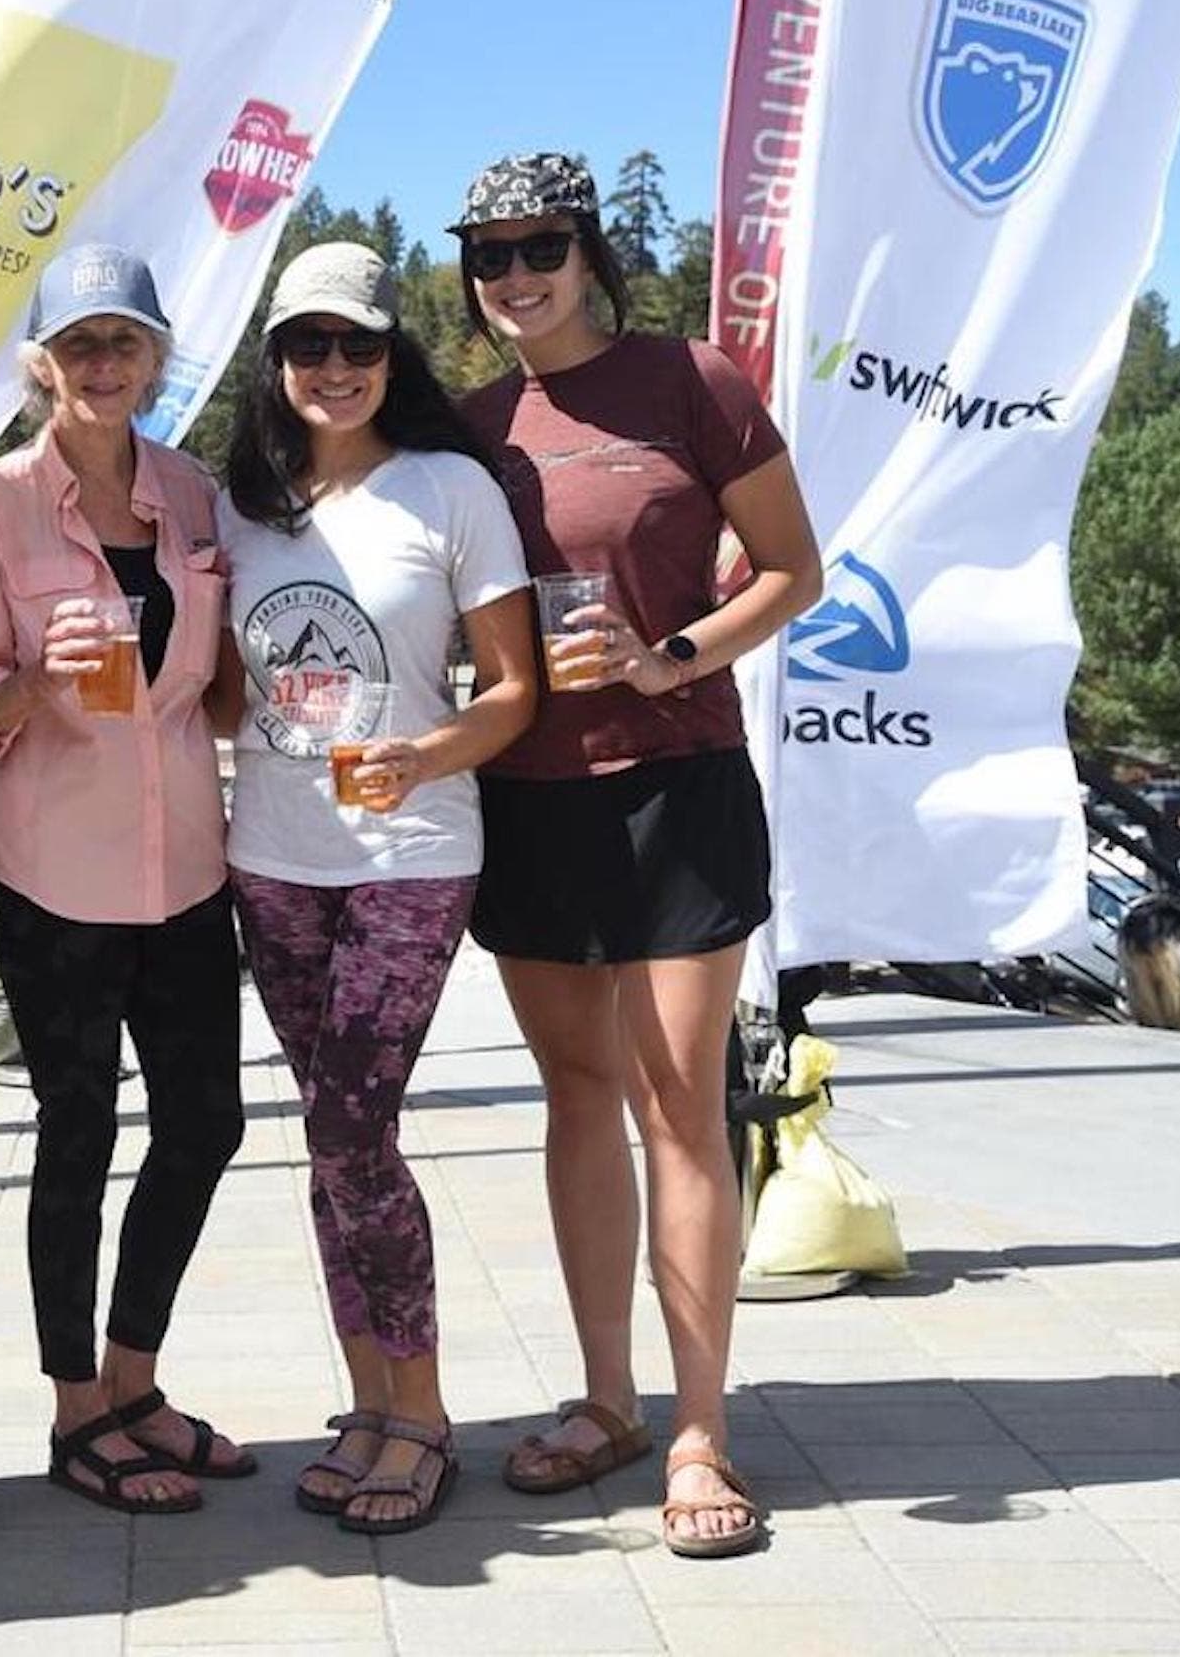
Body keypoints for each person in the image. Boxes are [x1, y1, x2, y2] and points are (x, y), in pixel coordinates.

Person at [448, 151, 823, 1560]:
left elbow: (794, 569)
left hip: (676, 782)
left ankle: (700, 1428)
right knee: (576, 1093)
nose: (514, 274)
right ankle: (605, 1396)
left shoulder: (693, 381)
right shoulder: (473, 422)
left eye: (539, 244)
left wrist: (669, 658)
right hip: (534, 794)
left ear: (587, 247)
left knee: (680, 1102)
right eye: (488, 253)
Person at [217, 242, 538, 1535]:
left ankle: (423, 1409)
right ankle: (367, 1395)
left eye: (358, 344)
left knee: (354, 1125)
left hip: (413, 853)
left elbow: (516, 693)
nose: (335, 368)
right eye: (309, 346)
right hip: (274, 854)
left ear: (392, 354)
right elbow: (227, 693)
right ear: (276, 362)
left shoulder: (450, 487)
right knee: (328, 1129)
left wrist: (425, 750)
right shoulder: (243, 504)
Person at [0, 245, 250, 1516]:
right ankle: (74, 1409)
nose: (103, 364)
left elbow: (221, 681)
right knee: (78, 1129)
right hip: (52, 866)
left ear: (156, 357)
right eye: (79, 345)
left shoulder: (191, 492)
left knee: (207, 1123)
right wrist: (31, 681)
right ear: (42, 364)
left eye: (124, 341)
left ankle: (134, 1377)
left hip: (183, 854)